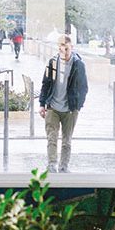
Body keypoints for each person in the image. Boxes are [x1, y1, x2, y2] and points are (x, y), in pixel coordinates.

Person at [38, 34, 88, 173]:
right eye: (61, 48)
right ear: (58, 47)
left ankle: (63, 166)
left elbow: (83, 87)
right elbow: (46, 84)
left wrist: (78, 105)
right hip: (52, 106)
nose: (64, 51)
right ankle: (52, 164)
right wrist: (42, 104)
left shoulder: (78, 64)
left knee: (67, 140)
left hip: (70, 109)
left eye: (67, 48)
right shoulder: (52, 63)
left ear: (71, 47)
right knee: (51, 138)